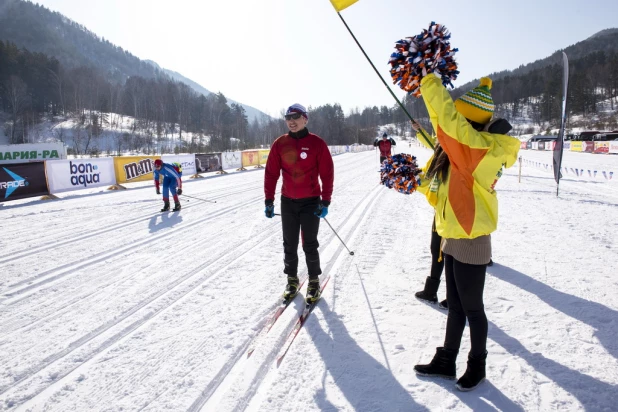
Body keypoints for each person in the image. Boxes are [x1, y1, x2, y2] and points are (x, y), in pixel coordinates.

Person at [412, 74, 520, 391]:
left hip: (472, 239)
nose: (455, 122)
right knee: (456, 306)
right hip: (455, 236)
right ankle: (447, 360)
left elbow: (446, 120)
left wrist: (429, 81)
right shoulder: (464, 154)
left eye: (461, 117)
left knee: (473, 308)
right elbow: (443, 188)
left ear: (469, 122)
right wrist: (410, 179)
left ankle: (478, 365)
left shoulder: (478, 151)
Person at [264, 103, 334, 304]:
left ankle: (313, 281)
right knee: (289, 243)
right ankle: (292, 280)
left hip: (311, 202)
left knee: (309, 244)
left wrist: (326, 200)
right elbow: (271, 174)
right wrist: (269, 200)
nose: (291, 121)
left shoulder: (317, 143)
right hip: (288, 202)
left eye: (295, 117)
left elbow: (327, 174)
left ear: (305, 119)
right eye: (288, 118)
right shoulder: (280, 143)